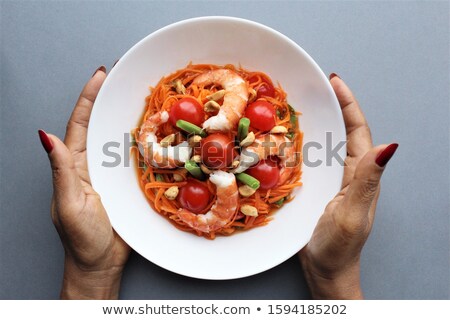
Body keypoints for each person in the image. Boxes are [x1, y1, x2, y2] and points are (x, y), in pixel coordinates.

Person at [38, 66, 398, 299]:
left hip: (214, 192)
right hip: (203, 189)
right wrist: (334, 282)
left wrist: (90, 281)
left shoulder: (241, 150)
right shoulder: (201, 150)